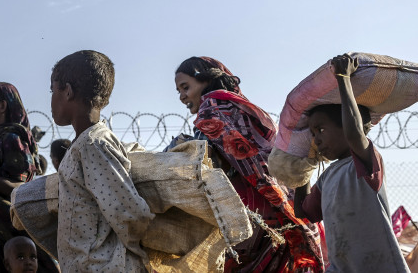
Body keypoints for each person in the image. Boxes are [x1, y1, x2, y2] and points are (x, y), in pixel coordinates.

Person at [172, 56, 324, 272]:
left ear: (205, 80)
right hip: (274, 208)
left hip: (248, 217)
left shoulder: (211, 108)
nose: (182, 96)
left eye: (185, 87)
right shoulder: (240, 106)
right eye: (178, 91)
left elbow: (205, 163)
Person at [294, 54, 410, 272]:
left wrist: (343, 79)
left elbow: (354, 135)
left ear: (345, 125)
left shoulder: (364, 161)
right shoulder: (326, 179)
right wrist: (303, 163)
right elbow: (303, 211)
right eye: (311, 134)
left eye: (320, 130)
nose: (316, 139)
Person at [51, 50, 153, 272]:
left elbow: (130, 213)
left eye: (53, 90)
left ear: (67, 91)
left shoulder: (93, 145)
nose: (51, 99)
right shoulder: (82, 145)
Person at [0, 82, 58, 272]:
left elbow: (20, 189)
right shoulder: (0, 139)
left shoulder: (12, 139)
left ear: (3, 106)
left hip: (14, 234)